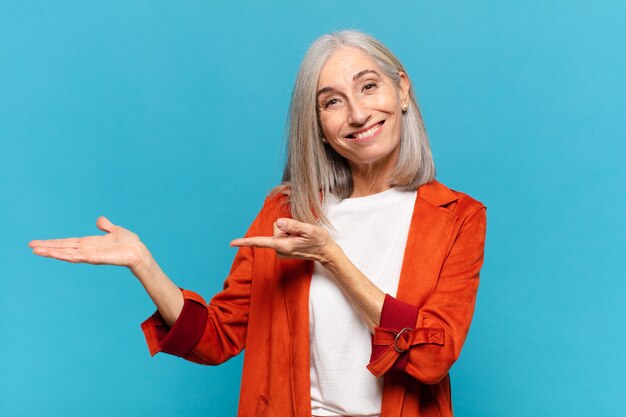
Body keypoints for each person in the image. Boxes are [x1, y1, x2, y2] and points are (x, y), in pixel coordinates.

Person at [29, 30, 486, 417]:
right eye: (332, 102)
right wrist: (143, 263)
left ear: (401, 89)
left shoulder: (458, 217)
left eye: (369, 87)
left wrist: (333, 258)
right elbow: (217, 337)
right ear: (319, 123)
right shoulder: (286, 211)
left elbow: (433, 357)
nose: (358, 114)